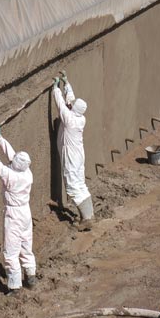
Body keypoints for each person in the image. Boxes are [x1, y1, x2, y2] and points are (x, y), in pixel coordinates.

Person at [0, 125, 37, 291]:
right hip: (25, 213)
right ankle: (31, 275)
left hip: (13, 215)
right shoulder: (27, 173)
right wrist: (0, 138)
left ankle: (14, 286)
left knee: (11, 252)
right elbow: (13, 157)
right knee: (26, 246)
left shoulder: (10, 176)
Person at [51, 74, 93, 230]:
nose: (71, 105)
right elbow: (70, 102)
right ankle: (88, 216)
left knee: (73, 186)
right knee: (80, 184)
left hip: (71, 157)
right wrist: (66, 83)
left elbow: (61, 104)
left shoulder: (69, 119)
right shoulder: (81, 118)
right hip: (78, 155)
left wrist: (55, 88)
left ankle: (87, 218)